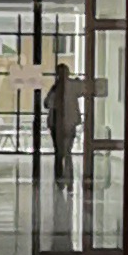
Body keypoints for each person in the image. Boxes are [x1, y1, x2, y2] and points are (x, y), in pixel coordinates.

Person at [45, 60, 83, 198]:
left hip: (61, 125)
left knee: (61, 153)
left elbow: (47, 104)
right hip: (64, 124)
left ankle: (62, 181)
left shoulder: (57, 88)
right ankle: (66, 181)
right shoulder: (69, 87)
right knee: (65, 153)